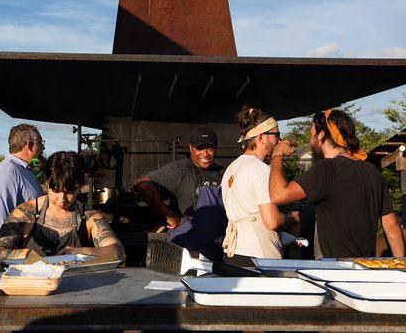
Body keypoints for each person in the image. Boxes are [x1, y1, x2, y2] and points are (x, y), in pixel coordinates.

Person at [269, 109, 405, 259]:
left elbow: (278, 195)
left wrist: (277, 154)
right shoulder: (372, 171)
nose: (310, 141)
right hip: (365, 268)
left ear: (321, 136)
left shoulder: (327, 168)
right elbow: (391, 225)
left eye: (312, 135)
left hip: (335, 269)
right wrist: (401, 268)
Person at [0, 151, 125, 262]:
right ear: (47, 183)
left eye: (70, 192)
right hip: (34, 287)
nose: (62, 199)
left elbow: (117, 251)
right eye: (56, 191)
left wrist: (79, 252)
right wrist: (28, 254)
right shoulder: (26, 212)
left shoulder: (89, 217)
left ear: (80, 186)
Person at [134, 127, 226, 261]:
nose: (205, 154)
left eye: (210, 148)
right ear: (190, 148)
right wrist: (169, 215)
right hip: (186, 251)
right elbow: (143, 186)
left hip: (215, 250)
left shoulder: (223, 173)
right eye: (200, 148)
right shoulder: (180, 170)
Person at [221, 106, 296, 266]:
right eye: (276, 135)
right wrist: (291, 218)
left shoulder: (232, 168)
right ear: (262, 137)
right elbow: (272, 221)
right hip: (257, 257)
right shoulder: (260, 170)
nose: (279, 140)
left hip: (232, 254)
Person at [0, 124, 45, 246]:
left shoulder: (23, 170)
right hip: (12, 259)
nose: (43, 147)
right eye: (41, 142)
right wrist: (1, 258)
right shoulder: (5, 172)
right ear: (30, 145)